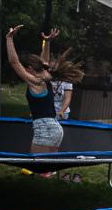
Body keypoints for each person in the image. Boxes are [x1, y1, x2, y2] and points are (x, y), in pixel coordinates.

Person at [5, 25, 83, 168]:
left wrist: (9, 39)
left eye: (25, 68)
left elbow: (14, 62)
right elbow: (44, 61)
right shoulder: (46, 76)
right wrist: (47, 42)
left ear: (29, 69)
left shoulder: (35, 81)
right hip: (55, 129)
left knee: (37, 166)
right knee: (47, 167)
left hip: (45, 129)